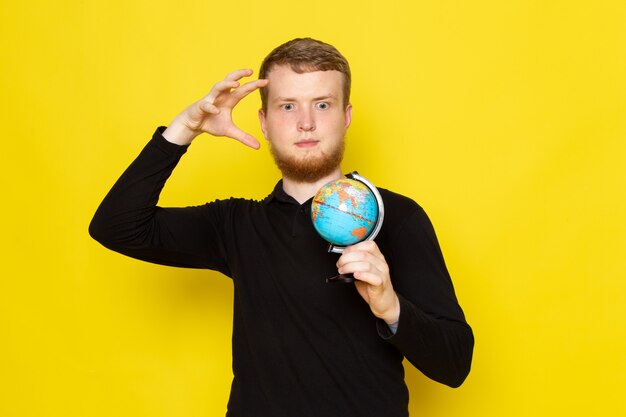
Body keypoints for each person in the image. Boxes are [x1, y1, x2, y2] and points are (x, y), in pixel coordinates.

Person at [90, 37, 474, 417]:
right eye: (287, 106)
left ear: (346, 116)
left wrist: (390, 307)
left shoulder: (396, 217)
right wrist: (186, 128)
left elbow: (455, 364)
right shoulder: (236, 225)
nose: (306, 123)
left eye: (322, 104)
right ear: (264, 122)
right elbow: (116, 226)